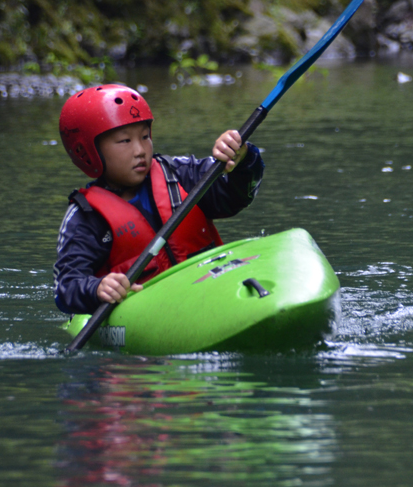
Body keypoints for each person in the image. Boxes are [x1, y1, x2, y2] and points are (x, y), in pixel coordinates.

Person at [54, 84, 264, 315]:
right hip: (149, 313)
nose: (140, 150)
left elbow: (235, 197)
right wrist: (96, 288)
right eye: (125, 141)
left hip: (209, 289)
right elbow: (67, 287)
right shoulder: (86, 216)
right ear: (89, 152)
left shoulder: (179, 174)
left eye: (145, 136)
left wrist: (242, 158)